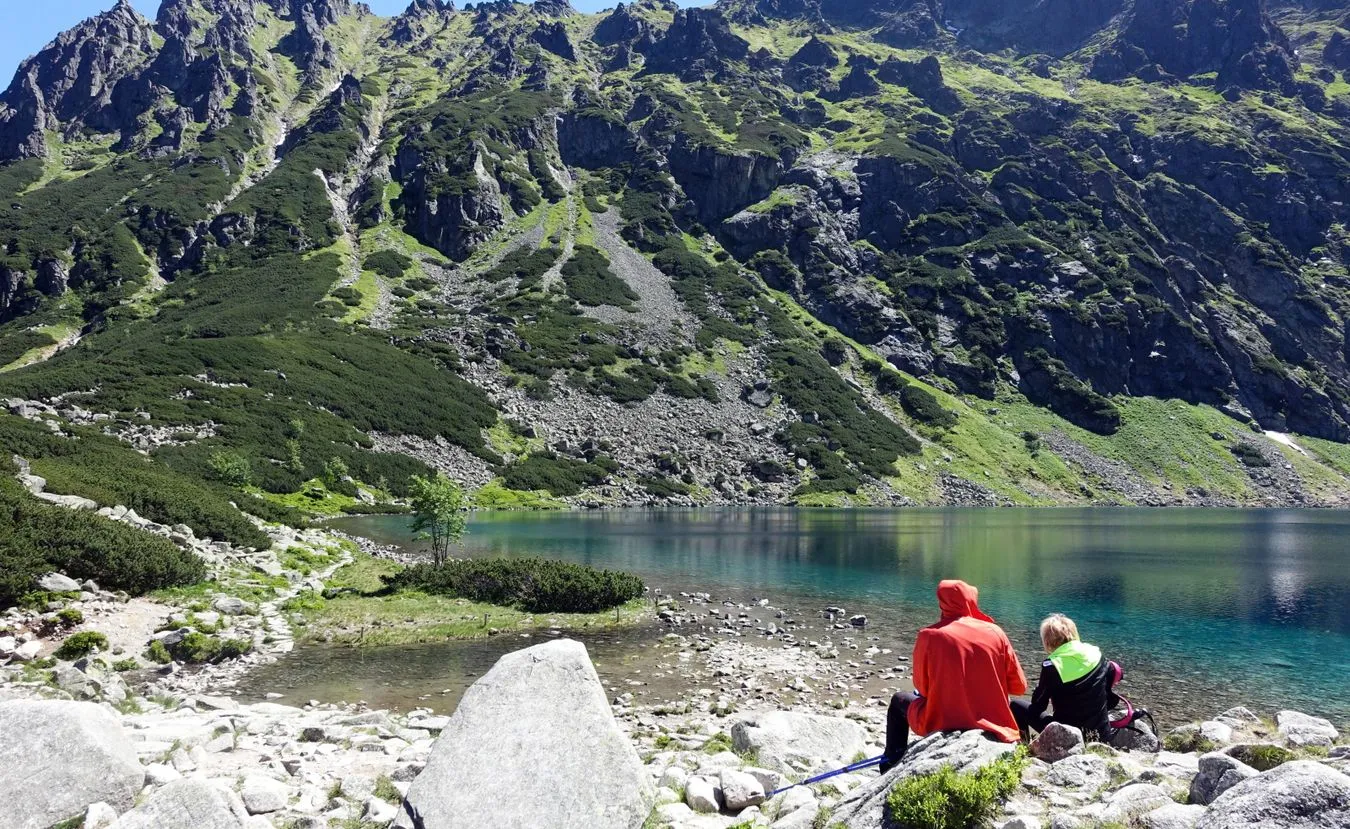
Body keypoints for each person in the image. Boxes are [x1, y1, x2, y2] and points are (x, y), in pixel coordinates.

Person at [881, 580, 1027, 773]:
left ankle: (890, 763)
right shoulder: (996, 632)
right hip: (995, 722)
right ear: (972, 600)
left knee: (899, 700)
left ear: (943, 603)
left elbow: (922, 688)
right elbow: (1019, 687)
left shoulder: (929, 635)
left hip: (941, 721)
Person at [1010, 613, 1114, 740]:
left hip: (1068, 737)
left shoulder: (1052, 665)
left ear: (1047, 642)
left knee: (1015, 705)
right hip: (1102, 735)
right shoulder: (1096, 654)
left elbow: (1038, 706)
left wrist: (1040, 689)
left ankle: (1024, 744)